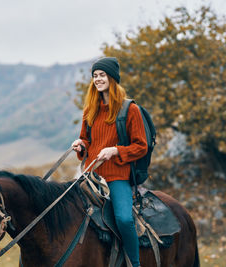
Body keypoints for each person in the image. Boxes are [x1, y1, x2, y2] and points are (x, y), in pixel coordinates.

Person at [71, 57, 147, 267]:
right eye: (95, 76)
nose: (97, 79)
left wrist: (115, 150)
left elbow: (141, 146)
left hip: (117, 177)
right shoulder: (90, 110)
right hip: (90, 176)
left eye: (102, 75)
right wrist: (81, 145)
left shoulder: (129, 110)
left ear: (112, 78)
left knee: (123, 219)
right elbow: (88, 140)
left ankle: (135, 263)